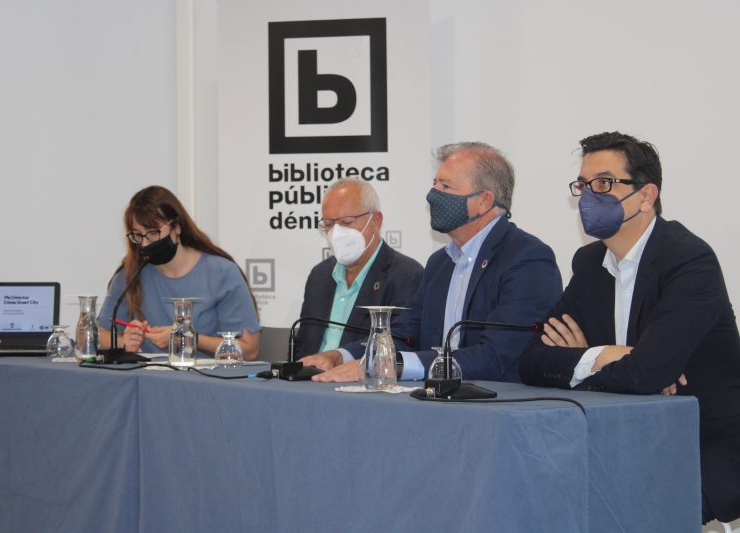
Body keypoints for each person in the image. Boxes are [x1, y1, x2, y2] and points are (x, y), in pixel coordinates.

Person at [518, 131, 740, 524]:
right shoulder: (589, 263)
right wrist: (605, 355)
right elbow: (532, 361)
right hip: (623, 440)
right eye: (583, 185)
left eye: (604, 183)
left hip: (701, 447)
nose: (589, 196)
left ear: (646, 196)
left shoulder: (688, 260)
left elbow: (644, 373)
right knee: (537, 497)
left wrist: (585, 361)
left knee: (625, 515)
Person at [301, 142, 562, 382]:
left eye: (445, 187)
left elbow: (495, 356)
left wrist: (394, 365)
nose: (431, 196)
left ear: (483, 201)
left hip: (496, 405)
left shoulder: (527, 259)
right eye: (434, 184)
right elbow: (405, 334)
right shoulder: (440, 263)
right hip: (435, 403)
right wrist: (341, 356)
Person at [97, 185, 260, 358]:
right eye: (137, 235)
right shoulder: (131, 274)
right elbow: (95, 336)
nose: (145, 244)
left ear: (177, 227)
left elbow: (250, 349)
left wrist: (188, 338)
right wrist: (124, 341)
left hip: (208, 374)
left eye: (153, 232)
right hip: (150, 373)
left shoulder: (221, 272)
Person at [294, 180, 424, 359]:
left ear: (376, 221)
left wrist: (339, 358)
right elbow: (303, 346)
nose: (336, 233)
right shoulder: (320, 275)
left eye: (346, 222)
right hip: (310, 375)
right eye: (329, 224)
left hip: (361, 375)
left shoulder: (406, 276)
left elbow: (399, 345)